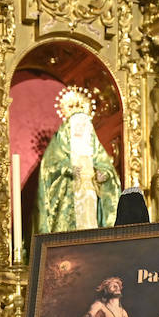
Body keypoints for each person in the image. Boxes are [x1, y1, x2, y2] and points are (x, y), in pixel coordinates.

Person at [37, 86, 121, 233]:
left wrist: (103, 175)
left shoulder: (93, 148)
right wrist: (67, 170)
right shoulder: (60, 146)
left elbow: (108, 170)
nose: (81, 129)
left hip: (91, 198)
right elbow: (49, 169)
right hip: (68, 201)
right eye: (77, 125)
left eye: (84, 125)